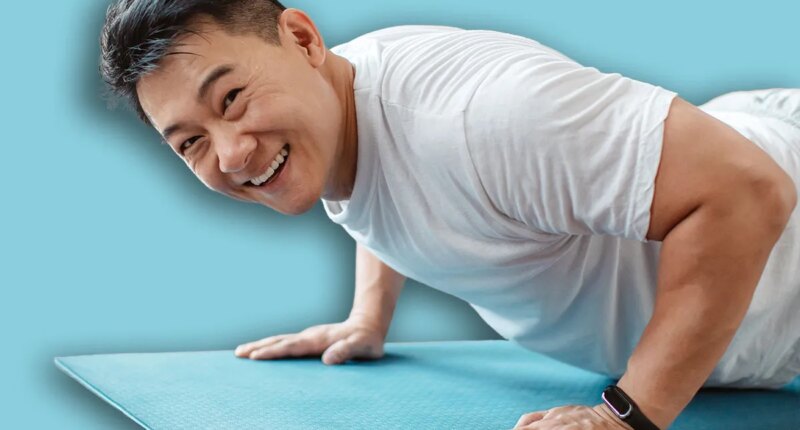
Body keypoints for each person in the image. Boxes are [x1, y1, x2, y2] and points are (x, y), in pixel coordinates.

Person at [100, 1, 800, 428]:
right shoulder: (327, 120)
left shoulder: (482, 115)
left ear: (305, 40)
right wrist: (367, 319)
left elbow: (748, 193)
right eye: (191, 142)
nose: (233, 154)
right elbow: (384, 186)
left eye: (230, 99)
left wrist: (627, 413)